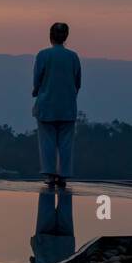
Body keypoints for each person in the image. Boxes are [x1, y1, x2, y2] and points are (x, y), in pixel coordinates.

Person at [32, 22, 82, 188]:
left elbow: (37, 80)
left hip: (46, 105)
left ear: (50, 36)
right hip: (67, 106)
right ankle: (63, 176)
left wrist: (36, 90)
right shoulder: (73, 57)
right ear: (66, 37)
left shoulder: (43, 55)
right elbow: (77, 82)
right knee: (66, 143)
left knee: (47, 142)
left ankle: (50, 174)